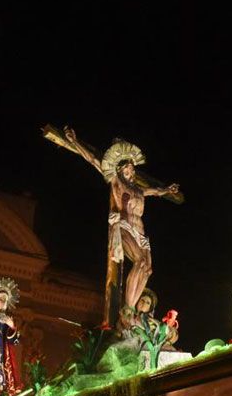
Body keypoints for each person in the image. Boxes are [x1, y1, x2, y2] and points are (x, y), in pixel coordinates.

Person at [62, 126, 180, 310]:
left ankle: (131, 311)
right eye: (127, 169)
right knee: (139, 262)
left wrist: (167, 190)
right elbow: (93, 159)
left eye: (132, 169)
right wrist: (74, 141)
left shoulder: (140, 190)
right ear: (120, 170)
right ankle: (128, 308)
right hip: (124, 226)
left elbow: (156, 191)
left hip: (140, 233)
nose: (131, 172)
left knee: (147, 269)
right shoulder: (116, 182)